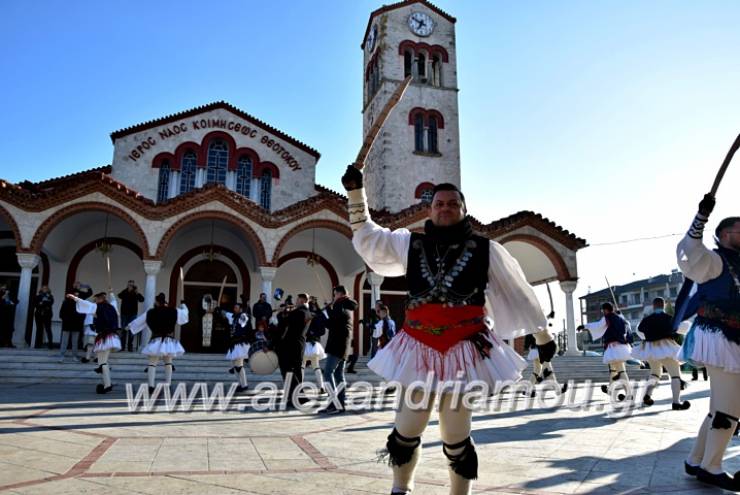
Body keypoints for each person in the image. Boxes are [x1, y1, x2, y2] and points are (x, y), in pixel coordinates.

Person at [342, 165, 544, 494]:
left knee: (455, 431)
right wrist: (356, 194)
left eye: (452, 203)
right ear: (431, 209)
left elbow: (519, 293)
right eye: (439, 203)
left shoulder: (486, 249)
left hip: (464, 346)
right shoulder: (409, 244)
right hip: (418, 345)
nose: (445, 208)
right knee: (407, 426)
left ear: (464, 210)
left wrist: (543, 336)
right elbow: (368, 237)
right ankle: (400, 490)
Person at [674, 193, 740, 490]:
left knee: (719, 407)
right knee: (731, 407)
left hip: (731, 337)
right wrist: (701, 216)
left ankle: (696, 459)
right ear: (725, 234)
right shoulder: (714, 260)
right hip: (718, 336)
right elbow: (690, 248)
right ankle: (711, 466)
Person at [633, 297, 689, 410]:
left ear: (653, 306)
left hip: (650, 348)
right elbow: (682, 328)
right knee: (675, 375)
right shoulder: (669, 318)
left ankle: (647, 395)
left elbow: (639, 330)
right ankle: (676, 402)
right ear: (663, 305)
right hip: (666, 347)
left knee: (655, 373)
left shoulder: (646, 320)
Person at [578, 303, 633, 402]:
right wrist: (620, 315)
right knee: (613, 370)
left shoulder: (608, 317)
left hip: (614, 348)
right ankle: (610, 390)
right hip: (623, 347)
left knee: (621, 371)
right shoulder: (621, 318)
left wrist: (584, 326)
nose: (603, 312)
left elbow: (598, 325)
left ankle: (629, 394)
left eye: (603, 310)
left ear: (605, 310)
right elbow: (627, 328)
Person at [68, 292, 121, 394]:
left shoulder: (98, 306)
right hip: (111, 336)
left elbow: (86, 304)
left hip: (105, 336)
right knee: (102, 362)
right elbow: (114, 301)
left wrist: (74, 298)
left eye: (96, 299)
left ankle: (107, 385)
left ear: (100, 299)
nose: (95, 301)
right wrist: (112, 293)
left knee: (103, 362)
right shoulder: (112, 307)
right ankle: (106, 383)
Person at [136, 293, 188, 392]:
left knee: (152, 363)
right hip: (168, 341)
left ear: (156, 301)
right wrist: (183, 304)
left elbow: (140, 321)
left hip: (156, 340)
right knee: (168, 362)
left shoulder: (151, 312)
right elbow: (185, 315)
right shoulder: (174, 311)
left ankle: (151, 386)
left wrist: (129, 326)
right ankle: (168, 385)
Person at [321, 286, 358, 414]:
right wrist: (329, 310)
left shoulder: (340, 304)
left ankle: (334, 403)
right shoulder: (346, 304)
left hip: (337, 344)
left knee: (327, 373)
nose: (333, 296)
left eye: (334, 294)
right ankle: (340, 404)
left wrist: (324, 314)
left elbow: (332, 324)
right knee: (338, 375)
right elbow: (338, 320)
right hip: (344, 345)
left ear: (339, 294)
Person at [276, 293, 311, 407]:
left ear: (302, 300)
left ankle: (298, 396)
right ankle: (293, 398)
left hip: (290, 345)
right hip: (300, 345)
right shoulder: (307, 312)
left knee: (287, 371)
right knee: (296, 371)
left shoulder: (299, 312)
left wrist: (282, 313)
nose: (296, 301)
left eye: (298, 299)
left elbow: (284, 323)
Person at [219, 302, 251, 392]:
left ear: (240, 309)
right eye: (234, 307)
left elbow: (244, 326)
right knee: (234, 365)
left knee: (239, 366)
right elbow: (225, 313)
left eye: (237, 307)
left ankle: (244, 385)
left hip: (240, 343)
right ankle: (240, 384)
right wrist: (219, 308)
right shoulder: (233, 316)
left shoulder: (243, 316)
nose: (235, 309)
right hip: (234, 343)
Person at [57, 282, 92, 361]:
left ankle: (74, 356)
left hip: (77, 323)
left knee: (75, 341)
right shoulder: (66, 302)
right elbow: (61, 313)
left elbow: (89, 293)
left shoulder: (80, 301)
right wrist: (64, 319)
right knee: (64, 341)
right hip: (67, 323)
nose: (75, 296)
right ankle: (61, 356)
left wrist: (86, 286)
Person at [305, 297, 328, 393]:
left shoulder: (318, 315)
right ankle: (321, 387)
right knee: (315, 366)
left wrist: (313, 333)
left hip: (311, 343)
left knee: (304, 366)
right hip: (310, 342)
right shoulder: (312, 314)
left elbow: (322, 330)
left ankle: (321, 387)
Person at [118, 280, 144, 351]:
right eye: (129, 285)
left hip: (133, 314)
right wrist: (127, 290)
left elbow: (142, 299)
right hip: (124, 314)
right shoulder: (125, 292)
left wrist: (137, 292)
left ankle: (130, 347)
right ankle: (122, 347)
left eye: (132, 285)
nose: (131, 286)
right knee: (123, 330)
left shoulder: (136, 293)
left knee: (131, 330)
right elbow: (119, 296)